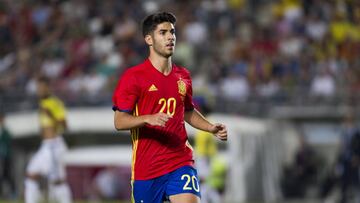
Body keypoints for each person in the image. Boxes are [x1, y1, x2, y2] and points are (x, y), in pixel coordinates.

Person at [112, 12, 228, 203]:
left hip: (181, 161)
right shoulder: (133, 77)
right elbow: (119, 121)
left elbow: (187, 111)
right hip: (146, 169)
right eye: (163, 32)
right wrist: (147, 118)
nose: (170, 37)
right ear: (149, 39)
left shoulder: (183, 76)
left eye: (172, 32)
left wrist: (210, 127)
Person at [24, 76, 72, 203]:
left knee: (58, 181)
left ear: (48, 87)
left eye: (41, 87)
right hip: (45, 145)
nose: (38, 90)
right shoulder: (41, 103)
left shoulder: (55, 103)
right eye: (37, 88)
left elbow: (65, 125)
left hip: (54, 146)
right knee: (31, 174)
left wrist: (50, 114)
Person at [0, 112, 15, 198]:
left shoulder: (6, 131)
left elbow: (8, 142)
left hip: (5, 157)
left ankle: (13, 193)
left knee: (8, 175)